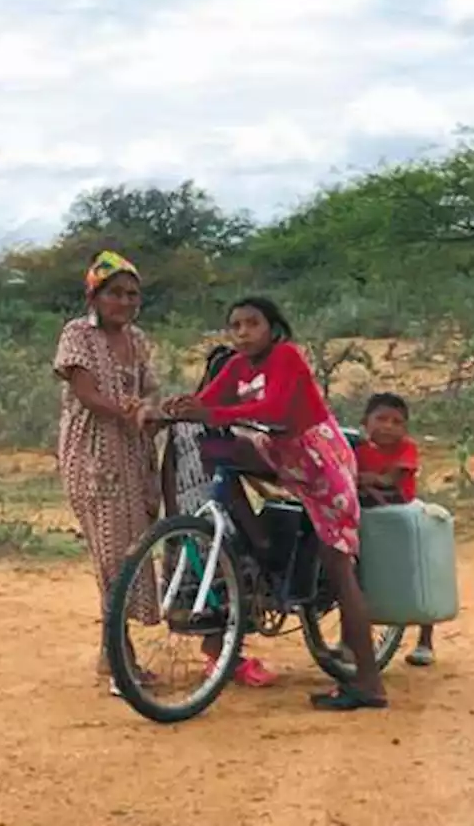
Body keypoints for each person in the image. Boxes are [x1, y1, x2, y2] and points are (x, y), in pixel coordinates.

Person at [163, 296, 388, 711]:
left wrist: (216, 411)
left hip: (320, 462)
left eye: (253, 323)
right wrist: (180, 408)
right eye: (236, 325)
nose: (244, 332)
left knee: (339, 569)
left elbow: (277, 407)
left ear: (273, 328)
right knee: (218, 451)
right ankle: (259, 540)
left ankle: (370, 685)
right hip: (282, 454)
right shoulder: (236, 365)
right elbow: (211, 401)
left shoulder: (287, 358)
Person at [53, 250, 162, 696]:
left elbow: (149, 389)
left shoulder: (136, 340)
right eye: (115, 293)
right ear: (95, 296)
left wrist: (151, 411)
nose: (125, 302)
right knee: (113, 556)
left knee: (133, 549)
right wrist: (128, 411)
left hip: (133, 455)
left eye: (132, 294)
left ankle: (112, 653)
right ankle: (122, 661)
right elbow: (87, 393)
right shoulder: (78, 335)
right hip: (94, 453)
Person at [161, 343, 278, 688]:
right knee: (234, 585)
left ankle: (219, 656)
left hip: (184, 513)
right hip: (217, 519)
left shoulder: (181, 419)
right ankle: (224, 658)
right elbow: (227, 479)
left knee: (201, 589)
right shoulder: (219, 426)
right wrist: (256, 531)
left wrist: (171, 516)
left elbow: (169, 467)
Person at [356, 392, 435, 667]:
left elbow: (391, 481)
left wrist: (368, 478)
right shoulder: (357, 448)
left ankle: (425, 640)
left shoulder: (407, 448)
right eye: (381, 419)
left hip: (400, 517)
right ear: (365, 422)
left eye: (396, 422)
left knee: (417, 576)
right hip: (369, 517)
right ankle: (353, 640)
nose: (388, 426)